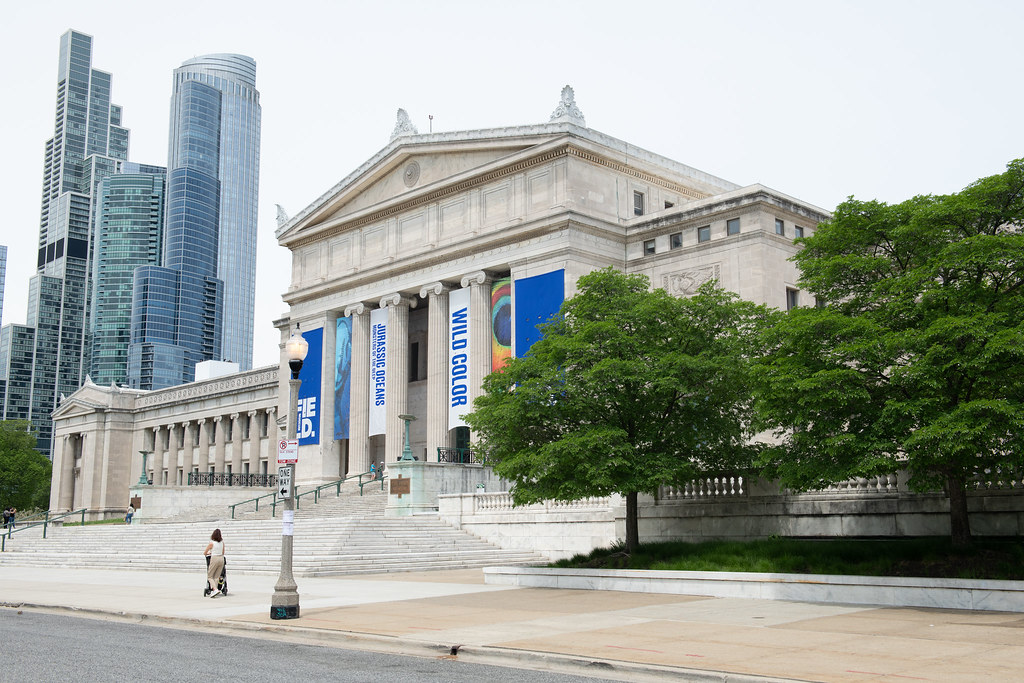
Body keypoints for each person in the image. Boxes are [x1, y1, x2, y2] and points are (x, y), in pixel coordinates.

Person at [203, 528, 226, 597]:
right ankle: (214, 590)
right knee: (216, 576)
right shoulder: (222, 543)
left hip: (215, 558)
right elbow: (223, 552)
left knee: (210, 576)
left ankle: (215, 589)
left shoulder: (212, 543)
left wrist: (209, 553)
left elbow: (205, 553)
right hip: (221, 559)